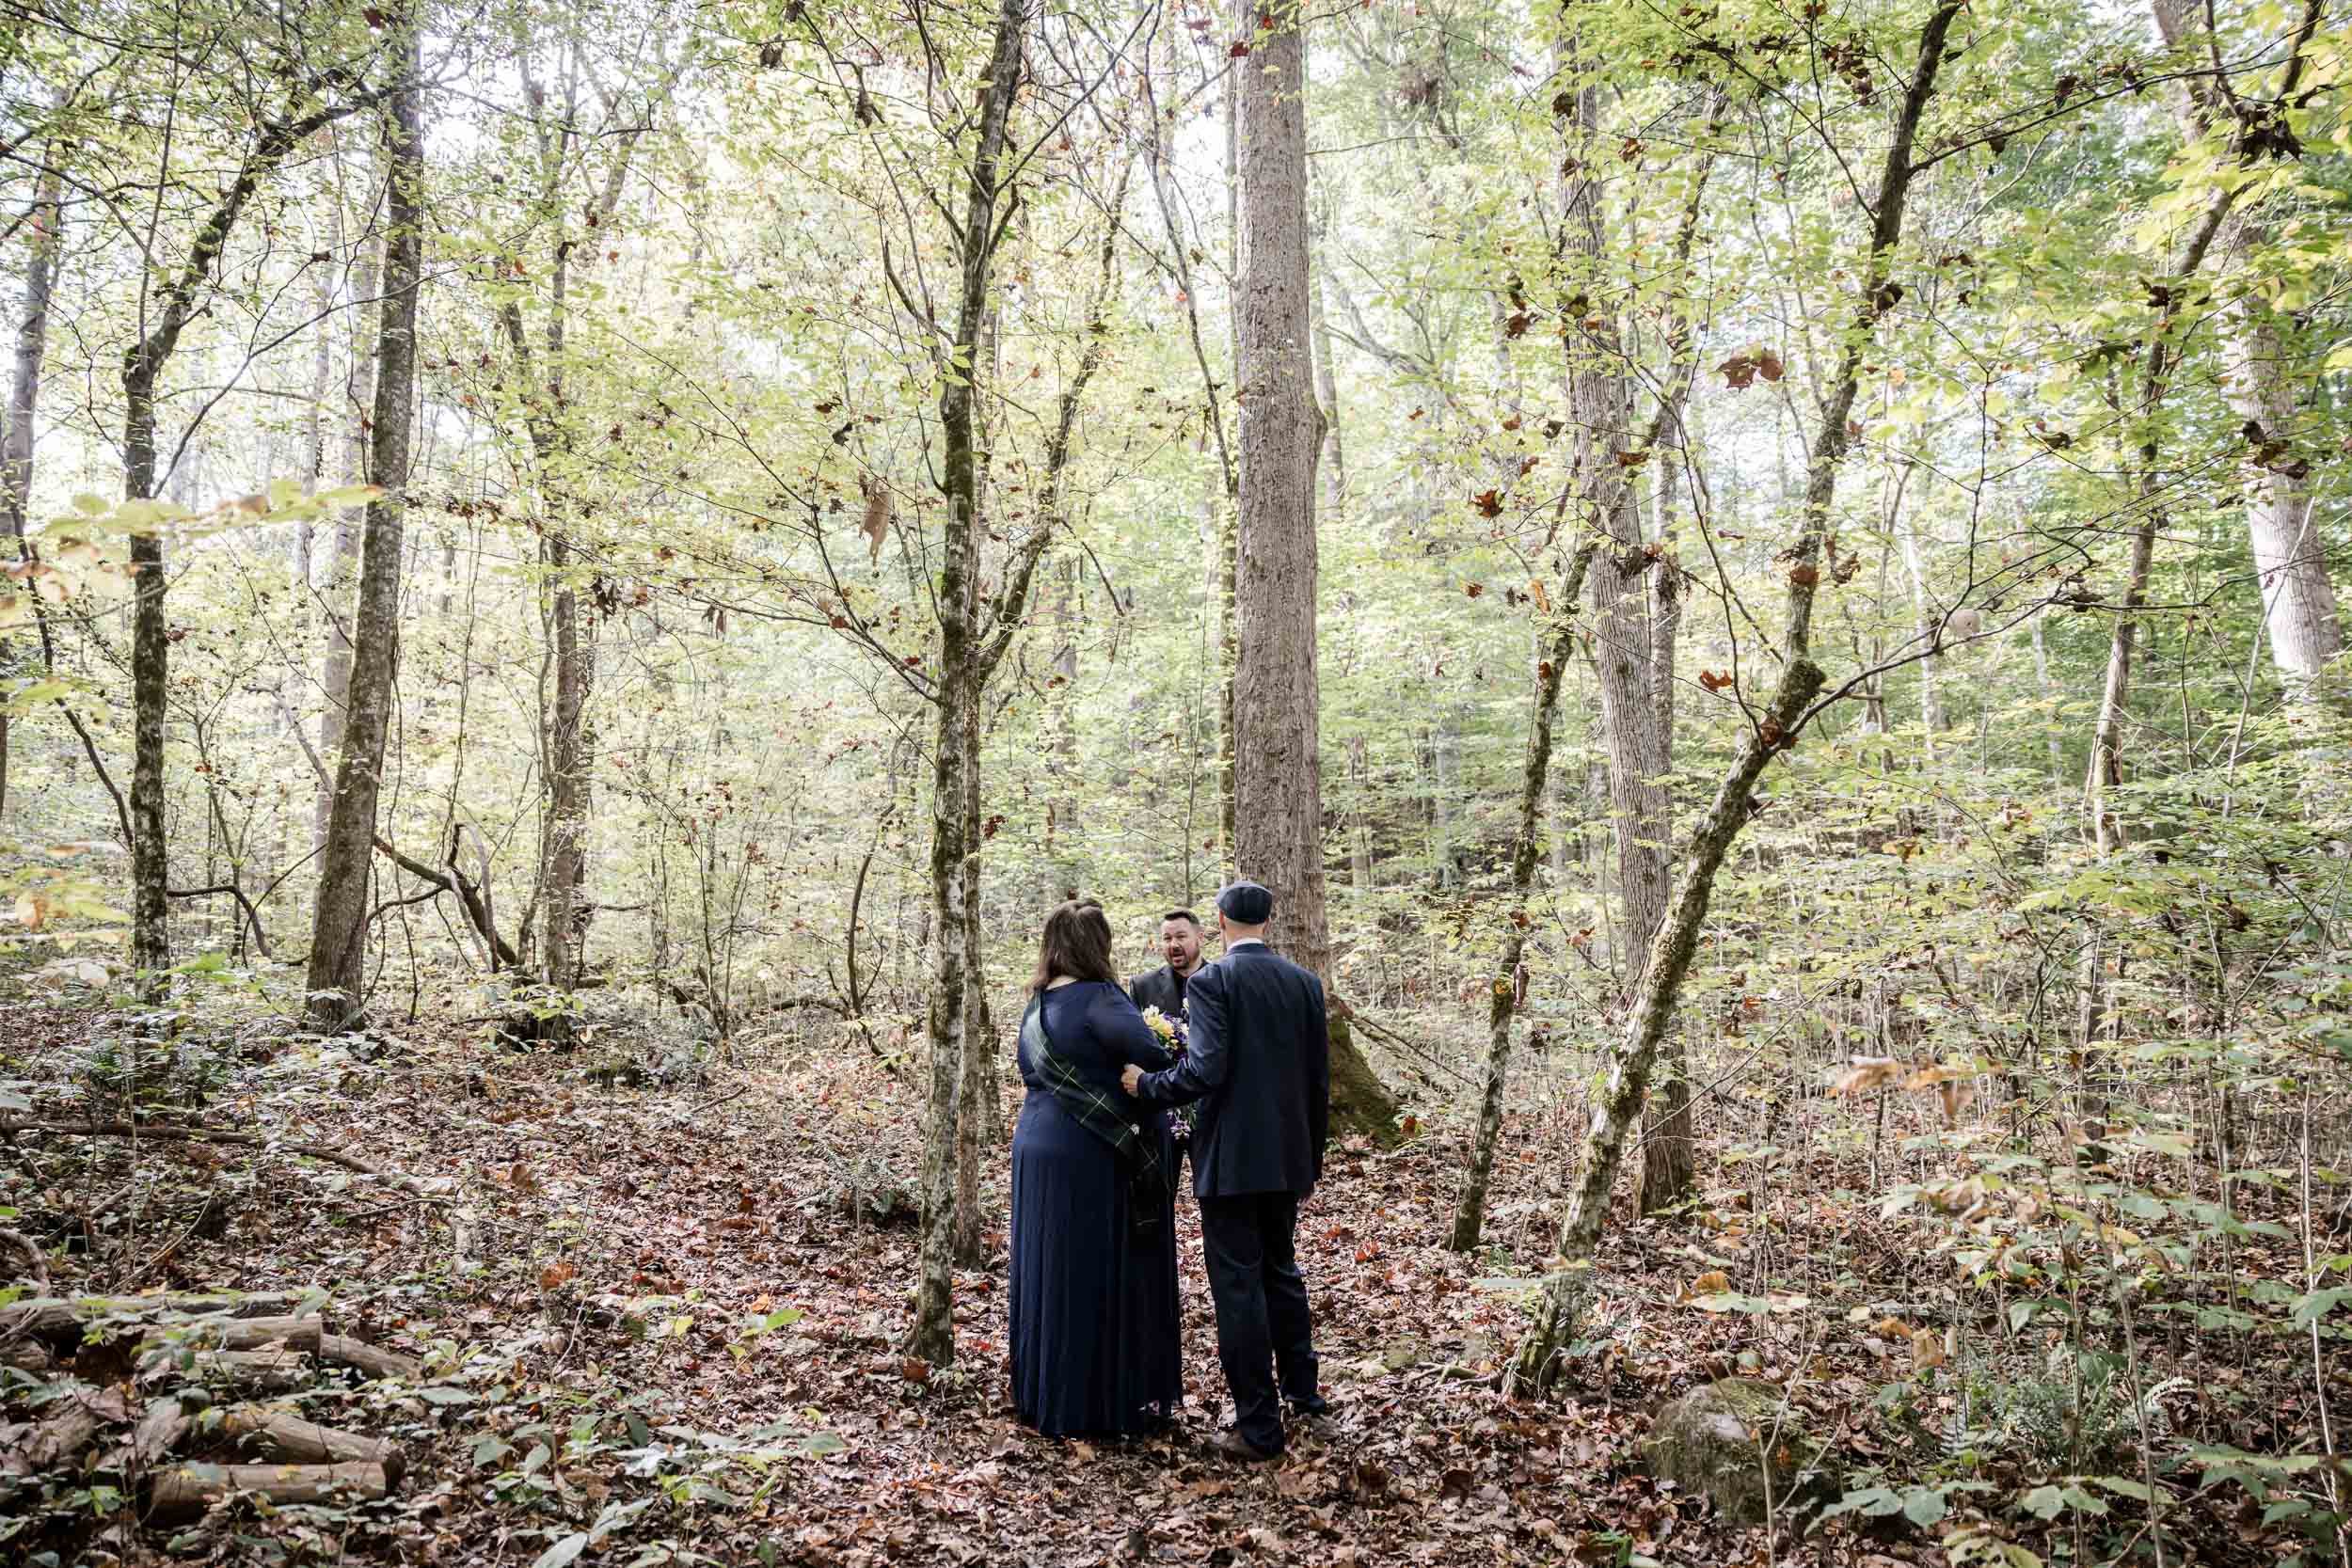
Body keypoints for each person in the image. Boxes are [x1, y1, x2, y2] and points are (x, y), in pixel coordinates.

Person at [1122, 879, 1330, 1461]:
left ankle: (1259, 1428)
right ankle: (1305, 1399)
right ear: (1268, 920)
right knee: (1282, 1275)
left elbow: (1204, 1070)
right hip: (1287, 1158)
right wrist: (1309, 1158)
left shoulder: (1213, 982)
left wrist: (1149, 1085)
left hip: (1232, 1161)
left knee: (1239, 1288)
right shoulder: (1305, 983)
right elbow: (1319, 1082)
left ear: (1218, 921)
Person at [1009, 897, 1184, 1438]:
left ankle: (1046, 1394)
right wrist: (1165, 1038)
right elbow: (1155, 1058)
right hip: (1090, 1150)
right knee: (1092, 1269)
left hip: (1036, 1145)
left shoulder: (1036, 1005)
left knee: (1049, 1265)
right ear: (1097, 945)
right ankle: (1098, 1401)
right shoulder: (1101, 998)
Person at [1128, 909, 1209, 1018]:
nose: (1173, 945)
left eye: (1181, 937)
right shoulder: (1142, 986)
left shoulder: (1222, 980)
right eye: (1167, 938)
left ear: (1200, 938)